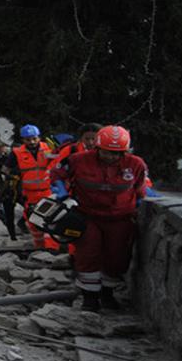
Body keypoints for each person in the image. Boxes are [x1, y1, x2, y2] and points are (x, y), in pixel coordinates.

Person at [50, 125, 148, 311]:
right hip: (88, 215)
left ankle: (107, 294)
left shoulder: (136, 165)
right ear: (97, 148)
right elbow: (56, 175)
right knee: (88, 254)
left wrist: (141, 205)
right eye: (106, 152)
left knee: (117, 258)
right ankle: (90, 298)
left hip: (120, 218)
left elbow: (141, 189)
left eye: (116, 153)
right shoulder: (78, 160)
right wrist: (63, 195)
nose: (111, 157)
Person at [3, 125, 59, 249]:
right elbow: (5, 169)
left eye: (34, 138)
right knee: (33, 221)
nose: (32, 142)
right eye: (28, 139)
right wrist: (14, 173)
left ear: (39, 137)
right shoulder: (17, 153)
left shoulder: (49, 148)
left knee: (51, 220)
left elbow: (58, 164)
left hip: (48, 191)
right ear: (23, 140)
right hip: (29, 193)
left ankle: (52, 248)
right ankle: (39, 247)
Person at [0, 143, 20, 239]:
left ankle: (21, 226)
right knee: (8, 213)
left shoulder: (27, 161)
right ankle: (12, 235)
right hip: (8, 189)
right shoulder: (4, 160)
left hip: (23, 189)